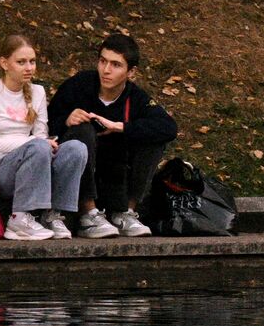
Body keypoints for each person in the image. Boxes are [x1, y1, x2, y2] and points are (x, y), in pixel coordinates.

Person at [0, 34, 87, 240]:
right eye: (21, 62)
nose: (29, 67)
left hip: (33, 158)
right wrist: (32, 143)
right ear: (4, 63)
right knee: (38, 146)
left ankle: (52, 215)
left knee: (76, 148)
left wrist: (44, 144)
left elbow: (40, 134)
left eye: (32, 61)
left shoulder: (37, 92)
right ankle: (18, 219)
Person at [49, 34, 176, 239]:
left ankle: (125, 212)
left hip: (118, 176)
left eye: (116, 65)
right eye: (103, 61)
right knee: (84, 129)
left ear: (131, 72)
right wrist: (66, 120)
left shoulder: (135, 98)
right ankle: (87, 213)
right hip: (81, 176)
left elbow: (168, 128)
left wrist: (121, 127)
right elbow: (44, 123)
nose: (106, 70)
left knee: (152, 138)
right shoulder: (79, 85)